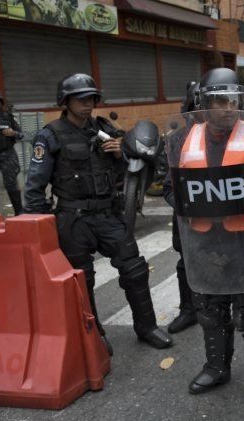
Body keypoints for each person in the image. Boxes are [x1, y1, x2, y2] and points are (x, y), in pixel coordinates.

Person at [24, 73, 172, 352]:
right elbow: (34, 187)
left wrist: (121, 154)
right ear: (65, 102)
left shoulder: (104, 129)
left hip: (107, 215)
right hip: (72, 219)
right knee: (82, 280)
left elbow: (134, 167)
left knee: (135, 269)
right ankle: (93, 335)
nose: (87, 103)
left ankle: (147, 326)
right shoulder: (50, 135)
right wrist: (41, 227)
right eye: (80, 98)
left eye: (91, 97)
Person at [164, 67, 244, 406]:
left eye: (232, 101)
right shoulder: (184, 138)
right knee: (210, 310)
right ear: (205, 104)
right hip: (204, 241)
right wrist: (186, 203)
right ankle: (216, 366)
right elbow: (171, 186)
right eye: (218, 101)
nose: (227, 108)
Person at [164, 82, 199, 335]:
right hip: (189, 218)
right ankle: (188, 310)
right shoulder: (176, 140)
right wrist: (184, 207)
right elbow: (169, 185)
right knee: (185, 263)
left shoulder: (230, 138)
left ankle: (239, 310)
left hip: (227, 218)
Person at [0, 88, 24, 215]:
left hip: (8, 154)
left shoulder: (8, 117)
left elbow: (21, 134)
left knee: (12, 183)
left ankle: (19, 213)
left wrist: (13, 133)